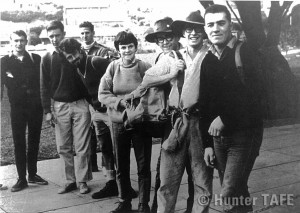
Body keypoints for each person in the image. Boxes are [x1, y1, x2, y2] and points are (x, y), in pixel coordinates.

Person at [200, 4, 264, 213]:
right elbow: (205, 103)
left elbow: (258, 96)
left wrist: (225, 118)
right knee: (238, 190)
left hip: (245, 135)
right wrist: (207, 144)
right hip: (218, 139)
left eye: (221, 23)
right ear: (205, 28)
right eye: (210, 24)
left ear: (230, 25)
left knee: (228, 191)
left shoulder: (246, 52)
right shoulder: (208, 59)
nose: (215, 28)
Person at [58, 37, 137, 200]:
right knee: (106, 148)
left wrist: (115, 105)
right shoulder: (78, 68)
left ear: (80, 50)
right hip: (97, 112)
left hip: (111, 111)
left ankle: (126, 186)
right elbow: (87, 90)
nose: (73, 59)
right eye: (69, 58)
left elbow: (118, 80)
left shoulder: (97, 62)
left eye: (74, 55)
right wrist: (93, 108)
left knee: (119, 149)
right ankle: (111, 184)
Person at [153, 12, 213, 213]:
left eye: (198, 28)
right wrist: (170, 73)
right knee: (167, 181)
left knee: (202, 181)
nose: (194, 33)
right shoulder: (172, 56)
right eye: (189, 29)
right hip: (175, 122)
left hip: (200, 122)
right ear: (182, 33)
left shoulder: (212, 55)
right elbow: (148, 83)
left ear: (205, 31)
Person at [138, 17, 195, 213]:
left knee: (191, 171)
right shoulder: (164, 56)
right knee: (166, 172)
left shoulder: (182, 56)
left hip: (187, 118)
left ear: (177, 36)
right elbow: (148, 80)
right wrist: (170, 75)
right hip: (171, 119)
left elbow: (147, 80)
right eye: (159, 38)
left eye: (168, 36)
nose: (163, 41)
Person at [98, 31, 152, 213]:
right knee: (121, 164)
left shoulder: (144, 66)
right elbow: (103, 94)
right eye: (123, 47)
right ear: (118, 49)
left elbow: (153, 91)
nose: (127, 50)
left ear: (136, 47)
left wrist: (138, 108)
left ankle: (144, 204)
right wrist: (119, 102)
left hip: (140, 121)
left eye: (130, 46)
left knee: (143, 165)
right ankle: (124, 202)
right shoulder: (112, 67)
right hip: (118, 122)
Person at [40, 21, 92, 194]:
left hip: (80, 104)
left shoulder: (76, 53)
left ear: (64, 34)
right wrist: (48, 111)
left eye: (57, 35)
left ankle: (83, 181)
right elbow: (44, 86)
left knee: (82, 146)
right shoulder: (47, 58)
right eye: (51, 36)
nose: (54, 39)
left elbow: (89, 78)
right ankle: (69, 181)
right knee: (63, 147)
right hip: (59, 106)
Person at [1, 30, 48, 192]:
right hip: (17, 109)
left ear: (26, 41)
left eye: (21, 40)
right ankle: (21, 178)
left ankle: (33, 174)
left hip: (35, 108)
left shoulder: (36, 59)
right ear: (10, 42)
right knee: (19, 142)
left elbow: (44, 84)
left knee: (34, 140)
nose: (19, 44)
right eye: (15, 41)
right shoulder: (4, 62)